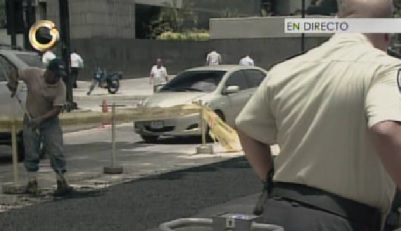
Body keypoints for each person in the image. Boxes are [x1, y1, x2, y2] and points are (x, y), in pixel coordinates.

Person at [235, 0, 401, 230]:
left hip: (277, 215)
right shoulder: (385, 69)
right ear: (387, 31)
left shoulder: (286, 69)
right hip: (344, 219)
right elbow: (386, 130)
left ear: (338, 22)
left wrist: (270, 179)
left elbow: (246, 128)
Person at [7, 58, 73, 196]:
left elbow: (57, 109)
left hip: (49, 121)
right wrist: (13, 82)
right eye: (55, 74)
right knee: (31, 151)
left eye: (59, 75)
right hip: (30, 119)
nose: (57, 78)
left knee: (56, 150)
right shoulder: (33, 74)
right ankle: (32, 183)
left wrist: (41, 119)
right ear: (48, 71)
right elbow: (14, 72)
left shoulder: (61, 86)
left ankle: (61, 181)